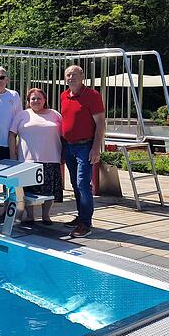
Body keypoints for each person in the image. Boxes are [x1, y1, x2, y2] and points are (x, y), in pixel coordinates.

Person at [60, 65, 105, 238]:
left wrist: (96, 148)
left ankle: (86, 224)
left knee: (82, 184)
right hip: (69, 146)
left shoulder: (92, 96)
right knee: (75, 184)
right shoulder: (64, 95)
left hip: (85, 146)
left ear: (82, 76)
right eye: (68, 75)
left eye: (75, 74)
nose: (71, 77)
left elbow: (100, 123)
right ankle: (81, 216)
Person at [8, 88, 63, 225]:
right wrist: (13, 154)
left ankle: (46, 216)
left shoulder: (55, 114)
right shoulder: (22, 115)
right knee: (27, 191)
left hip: (51, 158)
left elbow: (64, 135)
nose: (36, 101)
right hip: (27, 160)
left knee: (49, 191)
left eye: (39, 98)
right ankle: (30, 215)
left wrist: (64, 154)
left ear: (45, 100)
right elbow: (11, 134)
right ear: (28, 101)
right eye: (33, 99)